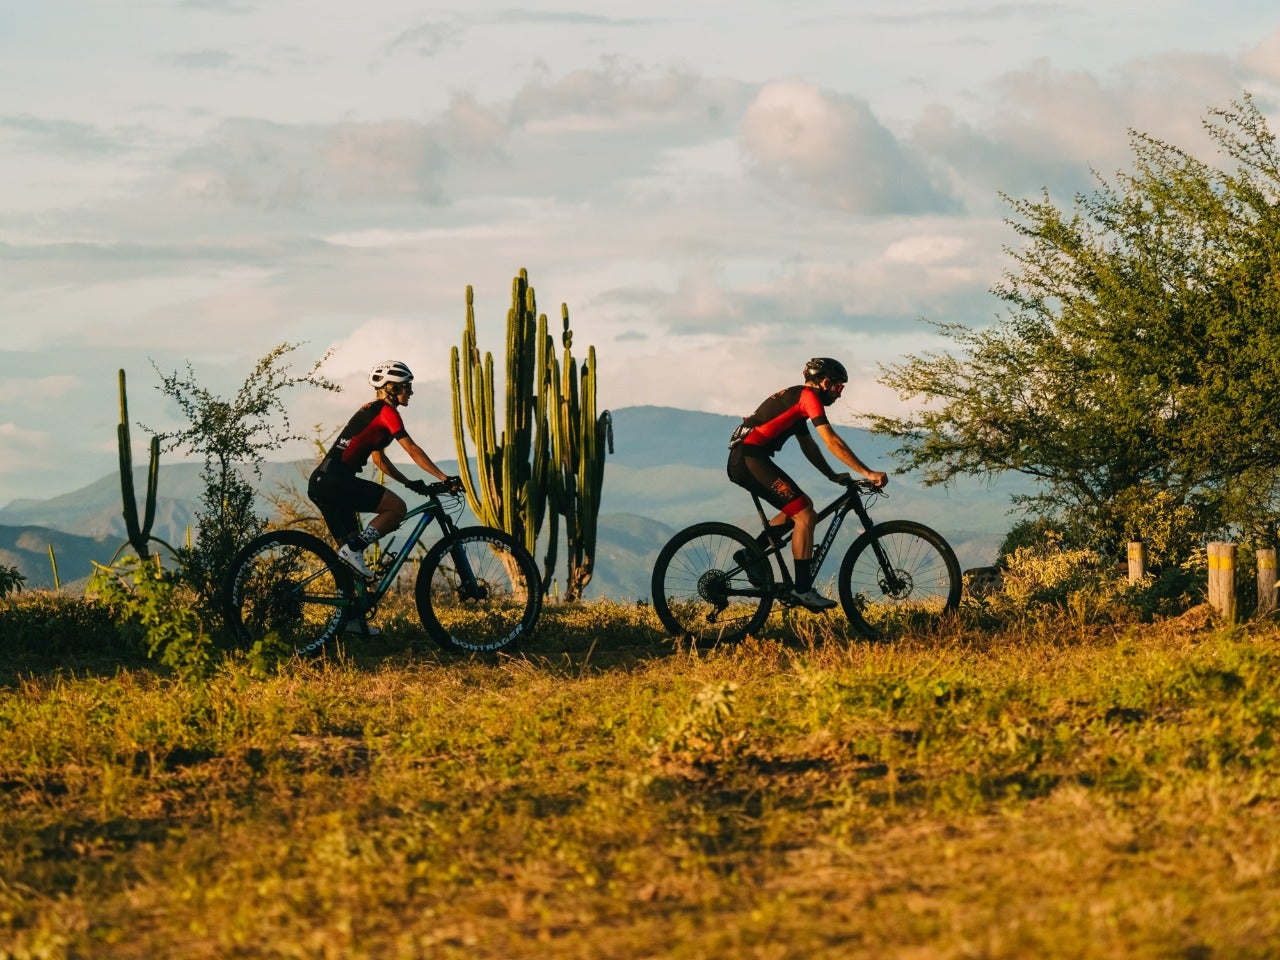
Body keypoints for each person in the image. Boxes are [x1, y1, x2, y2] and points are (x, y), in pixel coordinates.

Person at [726, 357, 888, 611]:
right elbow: (830, 440)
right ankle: (802, 590)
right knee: (805, 514)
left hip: (748, 458)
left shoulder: (797, 400)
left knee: (800, 510)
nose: (839, 394)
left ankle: (751, 554)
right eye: (839, 387)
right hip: (749, 458)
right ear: (825, 382)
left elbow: (809, 447)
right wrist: (867, 472)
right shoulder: (808, 398)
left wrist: (832, 475)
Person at [309, 361, 459, 593]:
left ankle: (351, 611)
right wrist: (443, 477)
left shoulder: (372, 411)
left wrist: (408, 483)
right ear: (393, 387)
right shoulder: (386, 412)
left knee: (349, 564)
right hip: (337, 480)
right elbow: (411, 449)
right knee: (397, 508)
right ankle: (355, 548)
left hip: (323, 482)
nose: (411, 392)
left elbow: (380, 460)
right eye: (408, 386)